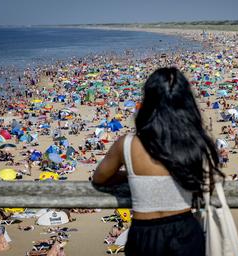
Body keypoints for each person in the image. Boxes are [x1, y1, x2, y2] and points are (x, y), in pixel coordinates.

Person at [93, 67, 224, 256]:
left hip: (145, 234)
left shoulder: (128, 144)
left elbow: (99, 178)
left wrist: (133, 177)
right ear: (186, 102)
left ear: (148, 102)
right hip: (185, 230)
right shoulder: (196, 142)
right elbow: (205, 183)